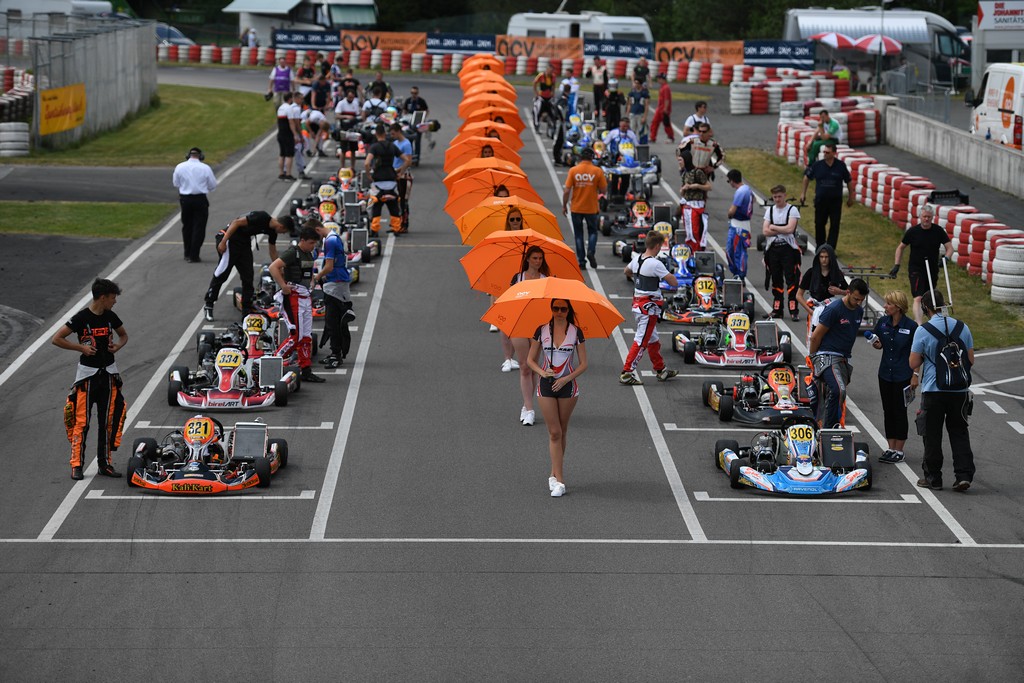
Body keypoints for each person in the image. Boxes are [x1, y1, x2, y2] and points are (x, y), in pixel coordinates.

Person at [53, 278, 128, 480]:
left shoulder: (111, 316)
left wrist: (118, 346)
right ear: (102, 298)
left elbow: (123, 336)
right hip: (87, 378)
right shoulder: (80, 318)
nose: (115, 302)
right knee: (81, 422)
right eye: (112, 298)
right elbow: (57, 338)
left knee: (107, 422)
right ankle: (77, 465)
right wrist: (81, 348)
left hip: (109, 376)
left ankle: (105, 464)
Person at [909, 289, 975, 491]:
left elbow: (913, 362)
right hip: (959, 390)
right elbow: (970, 360)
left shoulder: (923, 330)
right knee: (959, 431)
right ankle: (963, 475)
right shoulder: (962, 327)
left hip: (933, 389)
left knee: (932, 434)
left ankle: (933, 477)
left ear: (925, 307)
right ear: (944, 304)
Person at [525, 298, 588, 498]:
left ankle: (554, 472)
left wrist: (566, 379)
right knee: (554, 432)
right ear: (551, 309)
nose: (559, 312)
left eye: (562, 308)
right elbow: (530, 360)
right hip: (546, 385)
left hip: (567, 386)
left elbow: (584, 364)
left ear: (568, 310)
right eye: (555, 308)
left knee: (562, 430)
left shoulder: (576, 332)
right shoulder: (541, 330)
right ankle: (559, 480)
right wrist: (542, 373)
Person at [204, 211, 295, 320]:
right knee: (222, 272)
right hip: (230, 239)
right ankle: (209, 304)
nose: (282, 233)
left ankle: (246, 309)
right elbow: (236, 222)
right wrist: (223, 241)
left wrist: (278, 267)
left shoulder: (272, 232)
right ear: (281, 226)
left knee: (248, 276)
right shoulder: (262, 217)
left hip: (244, 243)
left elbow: (272, 251)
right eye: (284, 231)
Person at [807, 278, 869, 429]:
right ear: (848, 292)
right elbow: (815, 336)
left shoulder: (859, 311)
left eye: (862, 300)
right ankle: (829, 428)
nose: (859, 303)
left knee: (832, 393)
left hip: (843, 359)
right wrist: (812, 359)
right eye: (856, 299)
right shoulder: (834, 309)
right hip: (827, 356)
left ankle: (823, 424)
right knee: (838, 390)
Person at [620, 231, 680, 385]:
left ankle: (661, 370)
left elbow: (626, 271)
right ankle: (627, 372)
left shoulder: (637, 259)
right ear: (658, 246)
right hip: (649, 308)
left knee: (653, 340)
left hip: (639, 305)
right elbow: (673, 282)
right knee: (641, 340)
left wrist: (639, 280)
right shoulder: (655, 263)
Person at [270, 225, 325, 383]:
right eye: (310, 243)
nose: (313, 246)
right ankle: (273, 363)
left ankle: (306, 369)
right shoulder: (292, 253)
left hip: (306, 297)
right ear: (302, 240)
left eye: (314, 243)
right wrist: (283, 286)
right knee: (296, 336)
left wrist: (313, 281)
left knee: (306, 337)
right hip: (293, 297)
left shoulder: (310, 253)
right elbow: (274, 267)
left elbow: (310, 271)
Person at [869, 291, 918, 464]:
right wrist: (877, 344)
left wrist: (915, 375)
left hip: (903, 375)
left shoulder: (911, 327)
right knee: (888, 411)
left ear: (897, 307)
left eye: (888, 304)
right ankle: (890, 448)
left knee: (899, 411)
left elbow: (917, 353)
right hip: (885, 374)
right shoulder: (883, 322)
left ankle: (899, 450)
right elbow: (879, 343)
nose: (885, 306)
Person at [890, 204, 953, 323]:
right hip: (916, 268)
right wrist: (897, 265)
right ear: (920, 217)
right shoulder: (913, 232)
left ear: (932, 217)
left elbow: (949, 247)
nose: (926, 219)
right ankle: (919, 324)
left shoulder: (938, 231)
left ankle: (936, 321)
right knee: (918, 297)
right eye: (924, 216)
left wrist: (946, 258)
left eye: (929, 217)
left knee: (930, 296)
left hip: (932, 268)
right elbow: (901, 247)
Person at [510, 246, 549, 427]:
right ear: (527, 259)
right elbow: (508, 301)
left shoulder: (546, 280)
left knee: (532, 366)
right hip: (518, 324)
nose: (538, 261)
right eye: (534, 258)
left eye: (540, 258)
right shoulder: (517, 278)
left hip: (538, 328)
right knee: (524, 366)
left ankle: (527, 405)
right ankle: (529, 408)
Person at [314, 223, 356, 369]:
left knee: (334, 322)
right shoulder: (332, 237)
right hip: (335, 283)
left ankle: (336, 355)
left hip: (336, 285)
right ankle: (335, 352)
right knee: (331, 322)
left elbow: (329, 266)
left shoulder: (330, 240)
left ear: (317, 230)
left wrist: (318, 276)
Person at [800, 141, 853, 250]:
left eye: (827, 152)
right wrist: (803, 193)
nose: (825, 154)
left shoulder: (840, 166)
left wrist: (850, 197)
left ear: (834, 153)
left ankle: (831, 248)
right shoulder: (817, 165)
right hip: (821, 200)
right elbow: (806, 177)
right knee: (819, 224)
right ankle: (820, 246)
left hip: (835, 201)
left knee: (834, 225)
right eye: (824, 152)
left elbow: (848, 181)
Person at [762, 184, 803, 320]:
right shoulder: (770, 211)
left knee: (792, 279)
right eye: (775, 197)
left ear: (785, 195)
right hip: (773, 249)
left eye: (779, 196)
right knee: (776, 278)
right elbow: (765, 231)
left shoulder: (792, 210)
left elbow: (790, 229)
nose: (777, 199)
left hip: (788, 249)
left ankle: (793, 309)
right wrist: (780, 229)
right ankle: (777, 308)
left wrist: (774, 227)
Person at [562, 147, 607, 269]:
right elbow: (604, 190)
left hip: (576, 207)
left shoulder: (573, 170)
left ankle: (581, 261)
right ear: (592, 157)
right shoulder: (597, 171)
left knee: (578, 234)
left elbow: (566, 191)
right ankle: (591, 251)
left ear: (581, 157)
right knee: (593, 232)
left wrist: (564, 205)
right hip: (591, 207)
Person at [172, 147, 217, 263]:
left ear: (188, 155)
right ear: (201, 156)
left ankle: (187, 253)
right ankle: (194, 254)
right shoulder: (205, 168)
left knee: (187, 226)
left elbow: (176, 183)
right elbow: (212, 185)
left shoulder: (180, 167)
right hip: (200, 199)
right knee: (199, 227)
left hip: (185, 200)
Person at [364, 124, 411, 235]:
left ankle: (375, 229)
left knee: (377, 205)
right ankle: (396, 228)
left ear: (376, 134)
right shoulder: (392, 146)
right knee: (393, 205)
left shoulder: (374, 147)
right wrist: (400, 172)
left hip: (378, 180)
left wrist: (368, 175)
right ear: (385, 133)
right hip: (391, 179)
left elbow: (367, 163)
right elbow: (407, 160)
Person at [796, 243, 849, 342]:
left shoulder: (837, 273)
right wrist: (810, 311)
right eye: (821, 257)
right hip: (814, 307)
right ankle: (812, 356)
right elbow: (799, 295)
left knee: (830, 335)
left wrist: (840, 291)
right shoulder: (811, 273)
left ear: (831, 258)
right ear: (817, 258)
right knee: (813, 337)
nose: (824, 259)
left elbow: (850, 293)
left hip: (830, 308)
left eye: (826, 257)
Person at [495, 207, 528, 357]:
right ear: (508, 221)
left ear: (522, 221)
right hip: (506, 283)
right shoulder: (502, 239)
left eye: (518, 219)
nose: (515, 222)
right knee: (506, 323)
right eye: (512, 219)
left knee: (521, 322)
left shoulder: (528, 239)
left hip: (522, 284)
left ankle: (517, 355)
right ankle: (508, 357)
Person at [679, 156, 713, 254]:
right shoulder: (684, 174)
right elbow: (682, 191)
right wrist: (683, 189)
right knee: (689, 231)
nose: (679, 163)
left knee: (695, 231)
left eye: (681, 160)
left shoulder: (697, 172)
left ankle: (697, 250)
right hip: (686, 205)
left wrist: (696, 186)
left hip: (697, 206)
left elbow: (709, 186)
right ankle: (691, 250)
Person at [725, 169, 753, 279]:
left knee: (737, 252)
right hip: (742, 225)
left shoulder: (741, 191)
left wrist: (729, 214)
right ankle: (737, 273)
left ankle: (739, 275)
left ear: (732, 180)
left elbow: (732, 210)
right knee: (733, 251)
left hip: (739, 226)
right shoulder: (748, 189)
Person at [389, 122, 414, 232]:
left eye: (393, 134)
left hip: (403, 175)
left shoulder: (406, 144)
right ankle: (397, 223)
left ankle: (404, 224)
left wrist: (399, 171)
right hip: (395, 172)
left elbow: (408, 161)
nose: (392, 136)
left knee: (403, 200)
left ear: (399, 131)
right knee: (396, 200)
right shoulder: (395, 143)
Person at [333, 89, 361, 170]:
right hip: (344, 129)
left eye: (352, 97)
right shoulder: (341, 104)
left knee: (353, 150)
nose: (351, 99)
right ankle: (342, 167)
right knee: (343, 149)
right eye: (349, 97)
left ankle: (352, 167)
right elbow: (337, 115)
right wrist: (346, 116)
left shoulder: (355, 104)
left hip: (352, 129)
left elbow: (357, 115)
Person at [649, 73, 675, 144]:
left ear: (662, 79)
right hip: (660, 108)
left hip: (663, 109)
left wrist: (666, 109)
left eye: (658, 79)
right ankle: (652, 137)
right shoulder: (663, 87)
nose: (657, 80)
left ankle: (670, 136)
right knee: (655, 123)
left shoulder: (666, 88)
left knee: (666, 124)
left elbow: (667, 99)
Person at [276, 91, 296, 180]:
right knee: (289, 155)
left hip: (280, 133)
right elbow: (291, 122)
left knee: (282, 154)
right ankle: (288, 173)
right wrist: (295, 134)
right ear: (290, 99)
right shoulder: (289, 108)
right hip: (287, 134)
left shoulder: (280, 108)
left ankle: (281, 173)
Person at [288, 91, 308, 180]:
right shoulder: (296, 109)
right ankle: (301, 170)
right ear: (296, 99)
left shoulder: (291, 107)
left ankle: (287, 171)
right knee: (299, 151)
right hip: (295, 133)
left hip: (290, 133)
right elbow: (297, 123)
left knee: (293, 152)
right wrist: (300, 135)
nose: (302, 100)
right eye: (301, 98)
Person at [532, 64, 557, 129]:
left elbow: (554, 85)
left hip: (549, 97)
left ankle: (553, 122)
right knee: (538, 109)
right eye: (549, 70)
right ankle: (536, 123)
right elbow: (534, 82)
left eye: (552, 71)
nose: (550, 72)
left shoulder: (553, 77)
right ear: (547, 70)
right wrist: (536, 93)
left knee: (553, 109)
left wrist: (553, 93)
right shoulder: (541, 76)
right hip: (541, 97)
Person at [586, 57, 608, 124]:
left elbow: (606, 79)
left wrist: (606, 88)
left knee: (604, 101)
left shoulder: (603, 68)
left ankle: (604, 114)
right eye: (595, 62)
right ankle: (597, 114)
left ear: (599, 61)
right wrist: (589, 71)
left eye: (597, 61)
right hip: (596, 86)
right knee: (596, 101)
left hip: (602, 86)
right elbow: (587, 76)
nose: (596, 63)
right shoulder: (593, 68)